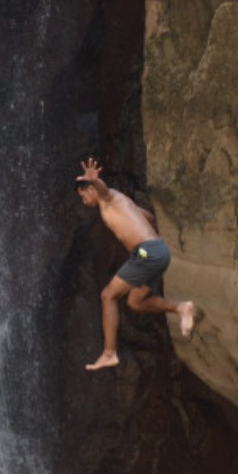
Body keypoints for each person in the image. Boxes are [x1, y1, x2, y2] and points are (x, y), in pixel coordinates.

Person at [75, 157, 195, 371]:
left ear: (90, 190)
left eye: (83, 196)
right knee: (135, 303)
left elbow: (104, 190)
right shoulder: (123, 202)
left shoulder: (108, 198)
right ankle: (181, 307)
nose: (84, 202)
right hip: (159, 252)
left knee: (107, 296)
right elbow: (148, 217)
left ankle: (109, 353)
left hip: (146, 254)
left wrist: (95, 181)